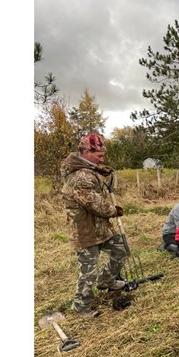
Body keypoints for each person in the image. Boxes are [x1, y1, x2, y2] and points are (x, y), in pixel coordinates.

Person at [60, 133, 128, 318]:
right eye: (99, 155)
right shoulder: (80, 177)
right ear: (86, 152)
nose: (102, 158)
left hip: (100, 228)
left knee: (121, 248)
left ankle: (106, 281)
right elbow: (95, 204)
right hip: (86, 231)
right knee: (89, 272)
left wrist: (99, 170)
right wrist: (114, 210)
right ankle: (81, 308)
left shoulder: (88, 170)